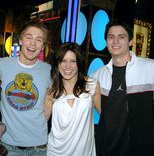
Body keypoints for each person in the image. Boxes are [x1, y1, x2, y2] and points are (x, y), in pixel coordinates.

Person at [91, 19, 154, 156]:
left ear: (130, 41)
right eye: (111, 37)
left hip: (142, 150)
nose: (115, 41)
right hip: (106, 149)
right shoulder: (96, 76)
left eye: (121, 37)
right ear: (106, 41)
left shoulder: (150, 68)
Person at [0, 20, 51, 156]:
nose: (33, 43)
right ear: (20, 40)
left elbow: (49, 103)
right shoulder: (1, 65)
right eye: (28, 37)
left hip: (39, 147)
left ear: (43, 46)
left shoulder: (49, 70)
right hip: (8, 145)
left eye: (39, 40)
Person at [45, 42, 101, 156]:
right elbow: (41, 121)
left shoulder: (92, 85)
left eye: (73, 61)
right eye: (63, 61)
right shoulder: (51, 89)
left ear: (79, 63)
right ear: (57, 64)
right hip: (55, 151)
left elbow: (107, 117)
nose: (67, 66)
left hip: (84, 152)